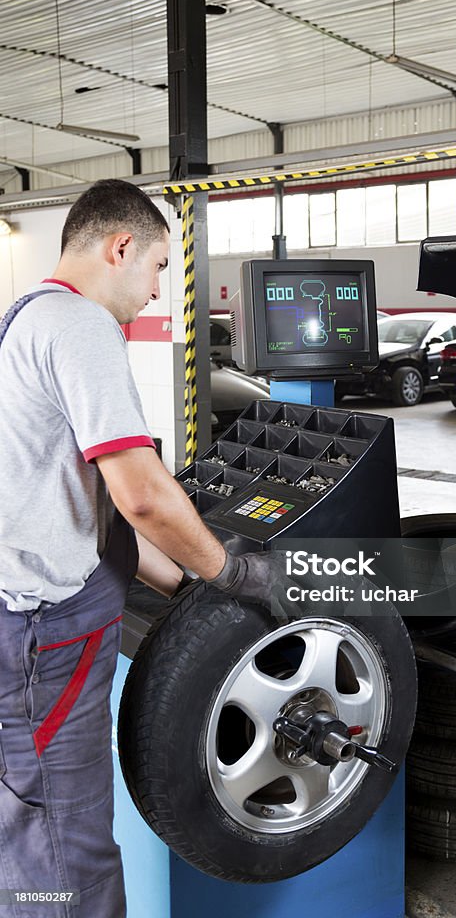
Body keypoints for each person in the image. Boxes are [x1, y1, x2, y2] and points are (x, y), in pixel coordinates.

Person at [0, 179, 286, 918]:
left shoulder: (22, 319)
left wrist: (183, 587)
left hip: (21, 623)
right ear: (120, 246)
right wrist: (233, 571)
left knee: (28, 828)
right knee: (68, 848)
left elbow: (88, 507)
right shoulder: (81, 326)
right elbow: (144, 495)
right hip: (42, 639)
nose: (160, 291)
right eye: (159, 266)